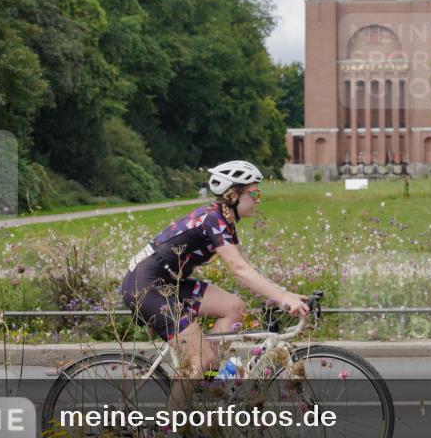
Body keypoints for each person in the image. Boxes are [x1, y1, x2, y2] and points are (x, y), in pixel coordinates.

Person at [120, 160, 309, 396]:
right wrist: (283, 298)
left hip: (169, 283)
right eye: (254, 193)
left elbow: (247, 267)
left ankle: (207, 382)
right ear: (233, 195)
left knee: (234, 307)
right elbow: (238, 269)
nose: (258, 199)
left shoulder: (225, 220)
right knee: (201, 360)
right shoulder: (212, 219)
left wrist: (285, 294)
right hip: (145, 286)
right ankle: (173, 417)